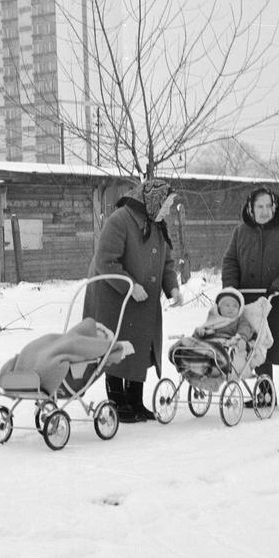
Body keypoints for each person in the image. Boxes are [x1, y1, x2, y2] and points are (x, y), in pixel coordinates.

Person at [83, 178, 184, 422]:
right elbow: (106, 261)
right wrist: (130, 285)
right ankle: (119, 403)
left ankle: (136, 402)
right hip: (113, 296)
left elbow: (167, 262)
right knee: (117, 348)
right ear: (153, 201)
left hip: (142, 301)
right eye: (167, 204)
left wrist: (172, 289)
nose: (168, 209)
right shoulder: (120, 220)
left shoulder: (156, 224)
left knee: (139, 347)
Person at [221, 186, 279, 409]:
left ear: (274, 206)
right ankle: (264, 393)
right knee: (258, 345)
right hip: (253, 298)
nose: (264, 211)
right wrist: (231, 290)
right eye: (259, 207)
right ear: (251, 209)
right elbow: (230, 261)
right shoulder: (241, 232)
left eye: (268, 206)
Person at [0, 318, 134, 396]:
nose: (100, 339)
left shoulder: (84, 343)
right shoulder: (77, 339)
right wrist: (117, 347)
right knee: (42, 348)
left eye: (103, 339)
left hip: (48, 360)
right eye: (100, 335)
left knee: (50, 352)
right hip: (48, 350)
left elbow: (81, 346)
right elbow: (78, 344)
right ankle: (26, 363)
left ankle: (24, 368)